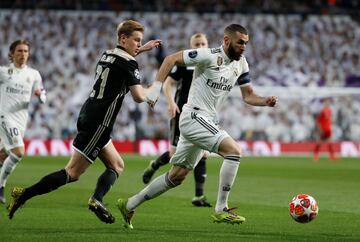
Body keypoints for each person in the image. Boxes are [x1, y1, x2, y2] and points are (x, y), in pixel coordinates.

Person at [117, 24, 278, 229]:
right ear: (226, 41)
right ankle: (221, 209)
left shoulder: (241, 64)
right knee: (234, 151)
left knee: (177, 176)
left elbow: (248, 96)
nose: (244, 47)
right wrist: (156, 89)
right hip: (193, 116)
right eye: (240, 43)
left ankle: (129, 204)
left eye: (246, 43)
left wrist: (266, 101)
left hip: (206, 119)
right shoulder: (208, 55)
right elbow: (170, 59)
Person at [7, 20, 162, 223]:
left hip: (90, 114)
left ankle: (97, 199)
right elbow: (139, 97)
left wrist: (142, 49)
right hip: (99, 122)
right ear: (123, 39)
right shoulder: (129, 63)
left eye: (140, 41)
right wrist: (155, 88)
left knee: (117, 165)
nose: (138, 44)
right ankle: (24, 194)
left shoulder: (107, 54)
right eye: (136, 40)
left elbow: (122, 62)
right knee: (72, 172)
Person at [142, 33, 211, 207]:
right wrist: (171, 103)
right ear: (191, 46)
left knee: (203, 152)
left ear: (208, 45)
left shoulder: (211, 65)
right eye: (196, 44)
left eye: (203, 43)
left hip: (202, 115)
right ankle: (155, 164)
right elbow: (168, 84)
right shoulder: (185, 64)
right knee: (175, 154)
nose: (200, 47)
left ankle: (198, 196)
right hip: (181, 113)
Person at [0, 40, 47, 204]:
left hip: (21, 120)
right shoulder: (3, 72)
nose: (23, 54)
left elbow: (43, 97)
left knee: (3, 155)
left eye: (26, 51)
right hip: (5, 117)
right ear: (12, 53)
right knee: (19, 152)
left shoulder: (33, 74)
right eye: (19, 51)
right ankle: (1, 187)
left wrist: (40, 95)